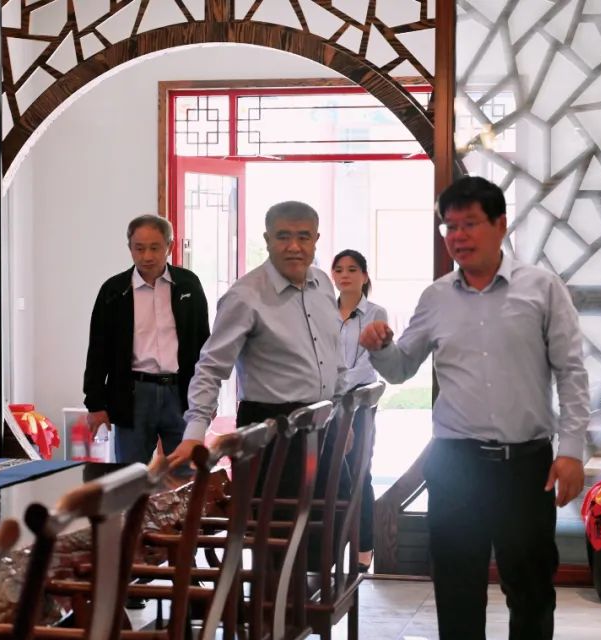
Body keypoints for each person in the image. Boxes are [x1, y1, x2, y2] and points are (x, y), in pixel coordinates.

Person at [359, 176, 590, 640]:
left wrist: (573, 449)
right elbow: (402, 368)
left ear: (500, 225)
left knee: (531, 591)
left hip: (525, 466)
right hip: (456, 466)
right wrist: (379, 347)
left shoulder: (541, 288)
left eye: (469, 224)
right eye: (450, 227)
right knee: (457, 595)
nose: (458, 236)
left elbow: (571, 372)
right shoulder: (436, 297)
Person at [167, 201, 346, 478]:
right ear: (267, 239)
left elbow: (335, 356)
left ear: (316, 240)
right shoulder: (245, 296)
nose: (294, 246)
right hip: (269, 432)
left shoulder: (323, 284)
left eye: (304, 237)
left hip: (326, 425)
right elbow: (211, 368)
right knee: (271, 508)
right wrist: (194, 433)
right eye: (283, 236)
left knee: (337, 505)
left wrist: (343, 420)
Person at [82, 214, 210, 465]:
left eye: (155, 248)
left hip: (181, 393)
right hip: (133, 395)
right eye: (139, 248)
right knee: (131, 473)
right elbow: (98, 350)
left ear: (169, 247)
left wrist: (206, 398)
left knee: (185, 471)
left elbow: (204, 345)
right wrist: (95, 404)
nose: (147, 256)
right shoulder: (114, 290)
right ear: (129, 248)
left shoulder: (188, 285)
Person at [331, 249, 388, 573]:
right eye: (339, 269)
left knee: (359, 473)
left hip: (359, 402)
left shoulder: (376, 312)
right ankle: (330, 547)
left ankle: (364, 546)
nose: (345, 275)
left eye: (352, 269)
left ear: (364, 276)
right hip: (326, 403)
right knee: (328, 476)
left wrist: (338, 386)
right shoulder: (323, 311)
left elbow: (369, 364)